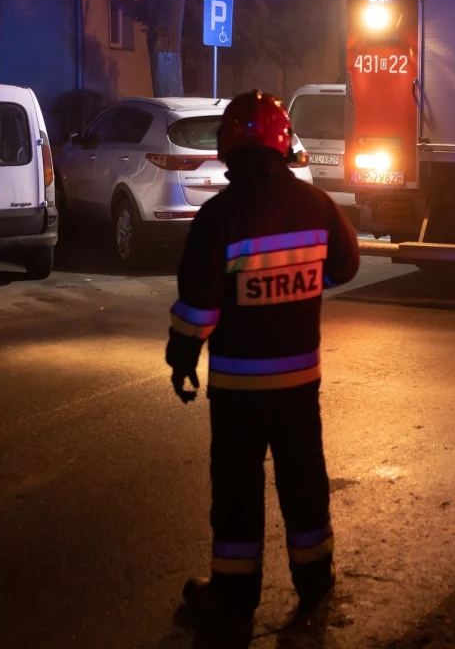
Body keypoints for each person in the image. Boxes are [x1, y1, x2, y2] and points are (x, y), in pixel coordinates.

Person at [165, 90, 360, 617]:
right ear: (284, 145)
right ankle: (315, 578)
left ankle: (234, 592)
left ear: (228, 148)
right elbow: (344, 267)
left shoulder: (219, 216)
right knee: (304, 477)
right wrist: (301, 288)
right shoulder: (317, 204)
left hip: (238, 386)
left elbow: (200, 305)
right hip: (299, 381)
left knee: (237, 487)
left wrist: (181, 359)